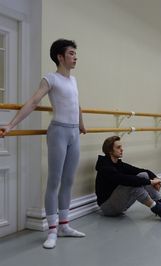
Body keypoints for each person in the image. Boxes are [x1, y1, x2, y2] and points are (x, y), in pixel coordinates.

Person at [0, 39, 86, 249]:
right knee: (54, 181)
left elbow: (77, 104)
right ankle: (52, 230)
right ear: (60, 56)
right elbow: (33, 102)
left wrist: (82, 124)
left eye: (76, 54)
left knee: (68, 180)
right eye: (72, 53)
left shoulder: (73, 80)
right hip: (58, 132)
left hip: (74, 132)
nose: (75, 57)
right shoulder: (51, 79)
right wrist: (11, 124)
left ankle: (65, 226)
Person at [95, 135, 161, 224]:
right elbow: (123, 179)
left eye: (121, 147)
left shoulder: (119, 164)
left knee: (143, 175)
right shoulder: (105, 166)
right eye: (118, 147)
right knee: (132, 185)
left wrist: (155, 178)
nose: (122, 149)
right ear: (110, 151)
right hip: (108, 208)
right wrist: (150, 182)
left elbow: (142, 171)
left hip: (119, 203)